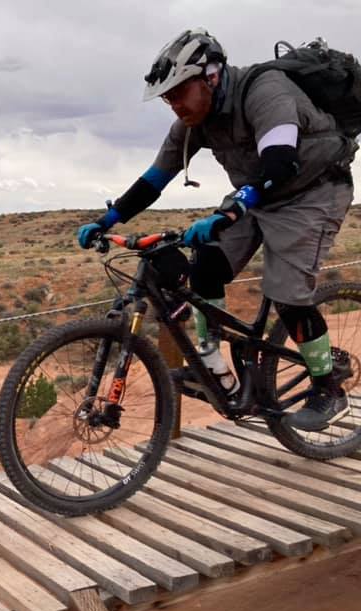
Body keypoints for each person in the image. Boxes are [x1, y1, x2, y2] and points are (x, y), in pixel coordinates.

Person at [77, 28, 357, 431]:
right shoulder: (195, 120)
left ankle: (328, 389)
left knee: (288, 293)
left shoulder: (265, 91)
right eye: (167, 98)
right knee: (205, 264)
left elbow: (280, 161)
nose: (172, 105)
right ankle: (214, 371)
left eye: (177, 93)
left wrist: (229, 213)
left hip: (312, 193)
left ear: (210, 76)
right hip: (257, 197)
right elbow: (155, 178)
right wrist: (107, 219)